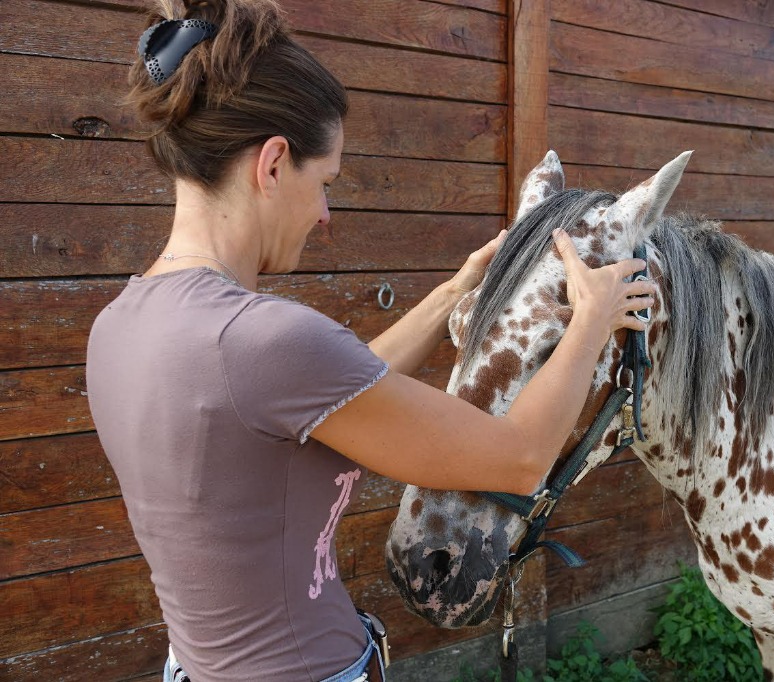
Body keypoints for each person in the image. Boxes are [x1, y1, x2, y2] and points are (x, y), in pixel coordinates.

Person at [84, 1, 656, 680]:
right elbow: (521, 459)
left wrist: (452, 290)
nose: (324, 215)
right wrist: (592, 319)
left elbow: (325, 400)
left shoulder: (119, 325)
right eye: (324, 183)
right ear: (271, 164)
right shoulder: (263, 340)